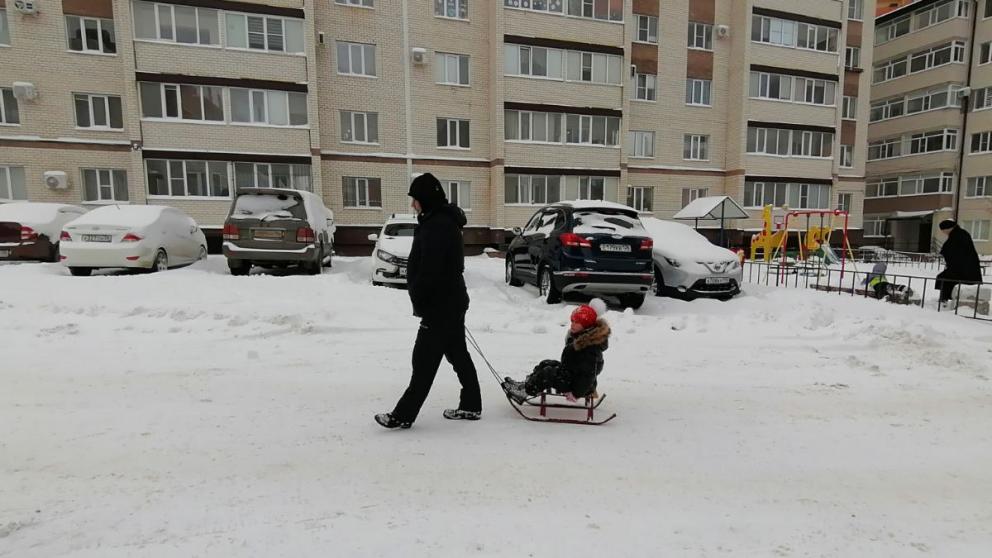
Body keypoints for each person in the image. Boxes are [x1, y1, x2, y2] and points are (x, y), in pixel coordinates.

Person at [375, 173, 481, 429]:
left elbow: (430, 269)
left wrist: (421, 297)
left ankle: (403, 414)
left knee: (424, 359)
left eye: (416, 199)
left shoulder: (438, 225)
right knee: (458, 354)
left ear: (426, 199)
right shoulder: (439, 221)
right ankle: (471, 405)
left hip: (440, 304)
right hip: (450, 300)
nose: (413, 205)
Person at [502, 299, 610, 405]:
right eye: (572, 321)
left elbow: (588, 376)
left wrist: (576, 393)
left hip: (577, 385)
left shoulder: (589, 348)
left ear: (586, 325)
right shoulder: (580, 337)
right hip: (571, 374)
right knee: (546, 363)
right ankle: (525, 385)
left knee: (548, 373)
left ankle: (525, 392)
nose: (572, 324)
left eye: (577, 322)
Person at [935, 220, 982, 303]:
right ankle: (946, 298)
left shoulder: (958, 235)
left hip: (964, 267)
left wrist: (947, 254)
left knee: (945, 278)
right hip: (962, 266)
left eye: (943, 230)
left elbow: (954, 250)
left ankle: (945, 299)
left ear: (948, 228)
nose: (943, 232)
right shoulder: (958, 234)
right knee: (944, 278)